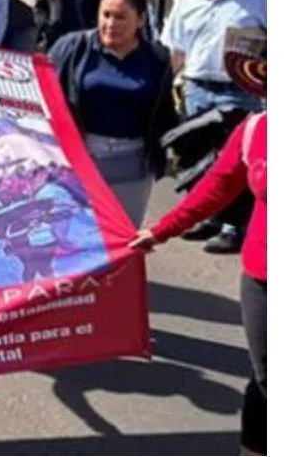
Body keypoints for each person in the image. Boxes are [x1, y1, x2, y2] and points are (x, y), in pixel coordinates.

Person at [128, 42, 265, 456]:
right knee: (267, 379)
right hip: (263, 278)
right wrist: (159, 231)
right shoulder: (257, 130)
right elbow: (215, 189)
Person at [160, 0, 266, 253]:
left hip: (240, 89)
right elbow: (176, 49)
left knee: (236, 160)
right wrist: (165, 84)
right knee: (201, 159)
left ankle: (236, 226)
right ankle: (215, 218)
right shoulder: (188, 0)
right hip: (196, 87)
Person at [50, 0, 177, 225]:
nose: (110, 24)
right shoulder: (72, 48)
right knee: (73, 237)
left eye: (120, 17)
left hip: (133, 165)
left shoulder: (157, 59)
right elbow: (43, 92)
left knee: (122, 238)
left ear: (141, 20)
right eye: (105, 15)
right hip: (78, 160)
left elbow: (164, 112)